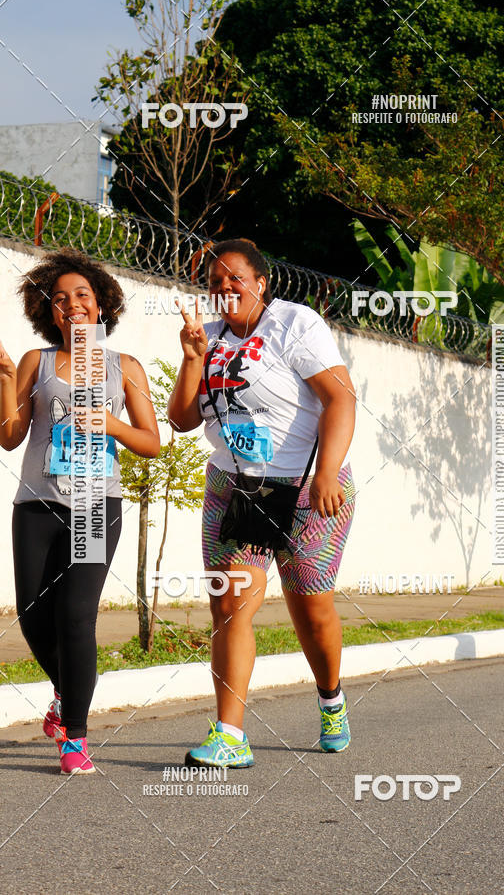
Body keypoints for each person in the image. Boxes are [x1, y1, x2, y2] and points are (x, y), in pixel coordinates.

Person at [167, 238, 356, 768]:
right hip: (236, 487)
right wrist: (192, 358)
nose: (224, 289)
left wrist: (325, 474)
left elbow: (340, 397)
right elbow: (182, 420)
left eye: (235, 279)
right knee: (228, 605)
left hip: (304, 487)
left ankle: (331, 698)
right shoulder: (211, 338)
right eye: (214, 282)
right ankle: (230, 735)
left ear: (261, 282)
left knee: (311, 609)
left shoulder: (294, 324)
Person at [0, 248, 160, 774]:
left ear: (101, 305)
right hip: (36, 503)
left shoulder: (124, 366)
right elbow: (9, 437)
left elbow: (151, 442)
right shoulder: (35, 362)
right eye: (60, 299)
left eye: (82, 296)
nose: (72, 305)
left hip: (96, 501)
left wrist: (109, 425)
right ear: (49, 311)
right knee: (32, 615)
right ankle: (67, 695)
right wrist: (4, 379)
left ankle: (75, 738)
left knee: (75, 616)